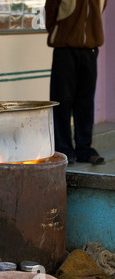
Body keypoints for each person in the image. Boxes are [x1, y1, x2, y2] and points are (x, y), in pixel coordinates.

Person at [45, 0, 107, 165]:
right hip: (65, 49)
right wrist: (59, 33)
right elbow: (50, 10)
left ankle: (84, 149)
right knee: (62, 100)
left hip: (90, 49)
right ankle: (64, 149)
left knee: (85, 102)